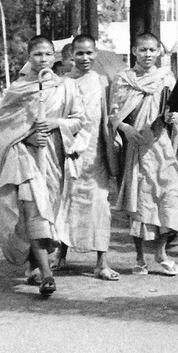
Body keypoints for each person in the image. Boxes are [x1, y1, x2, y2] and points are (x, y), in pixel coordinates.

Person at [0, 35, 87, 298]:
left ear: (54, 56)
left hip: (55, 158)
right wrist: (28, 136)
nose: (43, 59)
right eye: (37, 55)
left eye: (47, 55)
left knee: (50, 212)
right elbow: (3, 126)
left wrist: (57, 124)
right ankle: (47, 274)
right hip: (25, 159)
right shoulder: (18, 88)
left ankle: (36, 264)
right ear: (28, 56)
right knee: (34, 208)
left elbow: (80, 120)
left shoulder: (65, 87)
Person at [109, 32, 178, 276]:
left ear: (159, 52)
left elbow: (176, 109)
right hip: (137, 148)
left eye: (152, 50)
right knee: (140, 203)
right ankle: (140, 258)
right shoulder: (123, 80)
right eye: (143, 50)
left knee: (171, 198)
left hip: (162, 146)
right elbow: (113, 114)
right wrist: (125, 127)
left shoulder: (165, 78)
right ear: (134, 51)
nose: (148, 54)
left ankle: (161, 251)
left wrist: (174, 117)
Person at [53, 34, 120, 281]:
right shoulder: (62, 83)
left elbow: (109, 117)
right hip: (69, 155)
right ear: (70, 56)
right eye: (79, 53)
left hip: (96, 156)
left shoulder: (102, 81)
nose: (85, 58)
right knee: (66, 202)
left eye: (89, 53)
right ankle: (61, 252)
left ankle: (102, 263)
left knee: (100, 207)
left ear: (96, 53)